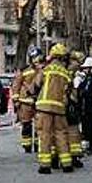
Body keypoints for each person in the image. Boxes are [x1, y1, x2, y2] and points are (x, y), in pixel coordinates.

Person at [31, 43, 73, 174]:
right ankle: (67, 164)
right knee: (61, 135)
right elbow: (69, 91)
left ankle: (45, 165)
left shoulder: (46, 69)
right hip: (60, 108)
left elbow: (36, 85)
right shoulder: (66, 73)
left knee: (45, 135)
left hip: (44, 107)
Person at [12, 46, 42, 153]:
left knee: (39, 125)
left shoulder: (42, 70)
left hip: (38, 101)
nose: (36, 60)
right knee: (26, 124)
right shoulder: (24, 70)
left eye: (38, 57)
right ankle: (27, 146)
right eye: (34, 58)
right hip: (25, 102)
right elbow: (16, 85)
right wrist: (15, 100)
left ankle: (38, 145)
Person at [65, 50, 86, 168]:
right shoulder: (72, 72)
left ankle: (64, 156)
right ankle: (74, 157)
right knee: (73, 132)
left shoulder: (64, 70)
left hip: (64, 105)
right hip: (70, 105)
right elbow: (73, 89)